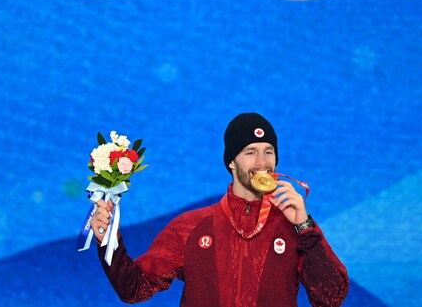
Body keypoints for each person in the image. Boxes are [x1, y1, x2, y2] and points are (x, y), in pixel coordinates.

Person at [90, 112, 349, 306]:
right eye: (251, 152)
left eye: (269, 152)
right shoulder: (191, 226)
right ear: (231, 162)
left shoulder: (295, 226)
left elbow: (332, 298)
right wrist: (109, 241)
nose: (263, 162)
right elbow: (134, 289)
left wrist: (304, 226)